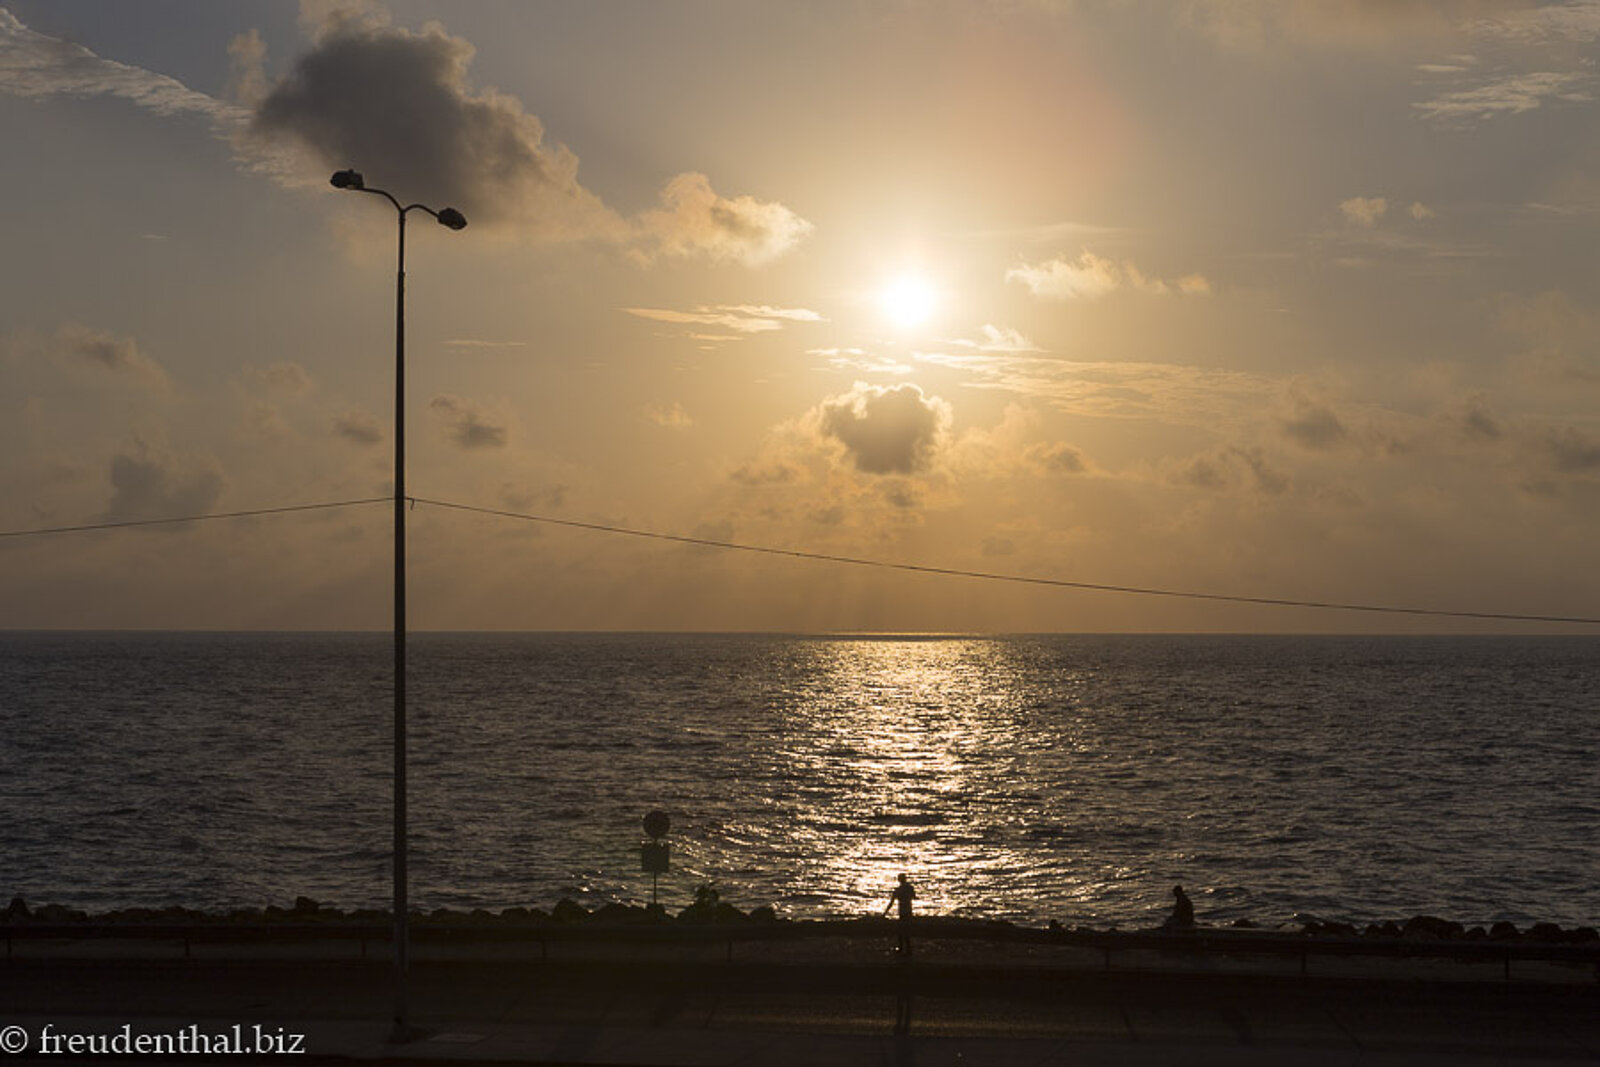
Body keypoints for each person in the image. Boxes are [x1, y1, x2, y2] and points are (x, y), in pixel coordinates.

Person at [884, 873, 916, 956]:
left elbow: (891, 902)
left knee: (901, 930)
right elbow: (914, 897)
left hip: (902, 911)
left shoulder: (898, 890)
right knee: (907, 930)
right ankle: (907, 949)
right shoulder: (910, 888)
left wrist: (885, 913)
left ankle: (902, 948)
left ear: (899, 880)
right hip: (909, 911)